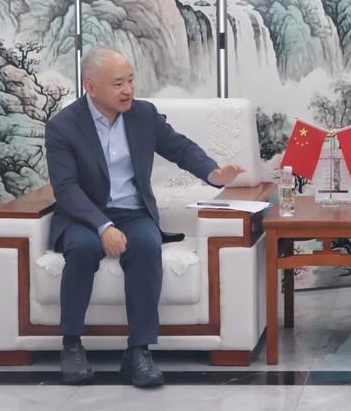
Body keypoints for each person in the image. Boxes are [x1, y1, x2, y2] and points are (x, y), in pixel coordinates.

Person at [45, 46, 244, 387]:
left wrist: (214, 173)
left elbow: (180, 148)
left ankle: (138, 351)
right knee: (82, 249)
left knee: (146, 246)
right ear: (90, 87)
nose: (128, 90)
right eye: (118, 84)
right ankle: (72, 345)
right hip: (83, 215)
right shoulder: (63, 126)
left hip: (132, 212)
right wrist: (103, 226)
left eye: (131, 80)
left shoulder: (144, 115)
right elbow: (66, 189)